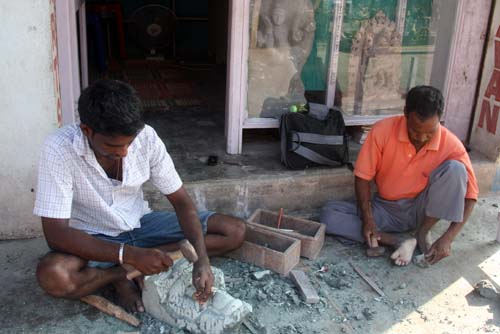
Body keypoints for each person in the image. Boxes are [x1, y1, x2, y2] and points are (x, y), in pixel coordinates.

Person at [34, 79, 246, 312]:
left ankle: (132, 266)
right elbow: (56, 234)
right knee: (54, 276)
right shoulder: (58, 149)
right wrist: (129, 256)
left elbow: (182, 202)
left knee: (233, 231)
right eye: (112, 146)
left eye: (129, 143)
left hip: (140, 224)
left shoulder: (147, 138)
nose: (124, 152)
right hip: (92, 236)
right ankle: (119, 274)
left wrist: (201, 260)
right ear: (87, 131)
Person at [321, 86, 478, 266]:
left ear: (440, 119)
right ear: (405, 113)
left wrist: (448, 238)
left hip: (424, 210)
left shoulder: (451, 144)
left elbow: (471, 197)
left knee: (456, 169)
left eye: (430, 132)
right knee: (329, 215)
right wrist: (368, 219)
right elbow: (362, 177)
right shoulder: (382, 131)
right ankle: (398, 241)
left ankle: (422, 232)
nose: (422, 137)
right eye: (415, 130)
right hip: (387, 210)